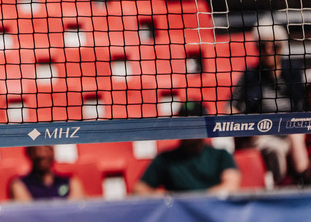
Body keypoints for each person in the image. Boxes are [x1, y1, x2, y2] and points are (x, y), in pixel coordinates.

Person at [230, 23, 311, 186]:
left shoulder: (293, 71)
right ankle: (280, 187)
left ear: (282, 47)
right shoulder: (250, 75)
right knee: (275, 149)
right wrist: (247, 126)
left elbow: (303, 102)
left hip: (291, 128)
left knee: (296, 137)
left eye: (274, 46)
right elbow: (231, 106)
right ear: (257, 48)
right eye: (263, 47)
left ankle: (303, 181)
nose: (268, 51)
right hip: (263, 132)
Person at [133, 102, 241, 195]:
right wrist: (167, 198)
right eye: (185, 121)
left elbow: (231, 185)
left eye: (195, 121)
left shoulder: (221, 155)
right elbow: (139, 189)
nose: (190, 125)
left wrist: (193, 201)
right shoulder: (165, 159)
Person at [9, 145, 84, 201]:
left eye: (46, 149)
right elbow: (27, 213)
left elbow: (77, 211)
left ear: (53, 152)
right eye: (35, 150)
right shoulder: (19, 184)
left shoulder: (71, 182)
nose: (41, 155)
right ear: (28, 153)